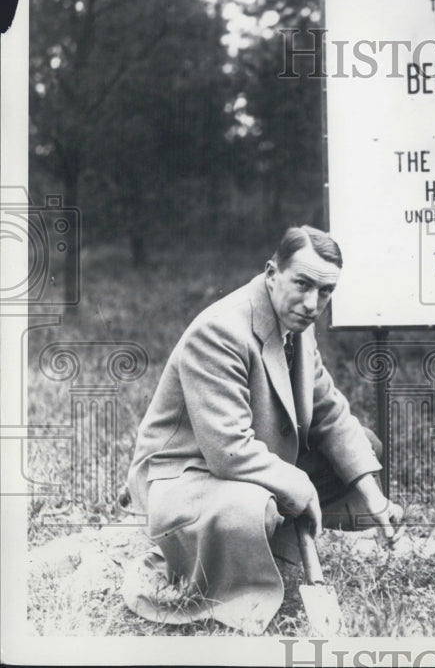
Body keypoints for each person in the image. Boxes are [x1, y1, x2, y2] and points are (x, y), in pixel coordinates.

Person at [122, 225, 402, 633]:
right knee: (256, 506)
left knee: (364, 449)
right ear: (271, 273)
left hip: (248, 461)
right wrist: (299, 485)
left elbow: (330, 413)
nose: (312, 304)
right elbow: (227, 449)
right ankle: (228, 547)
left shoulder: (296, 324)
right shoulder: (219, 330)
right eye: (302, 284)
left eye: (325, 292)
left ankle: (268, 533)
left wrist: (373, 497)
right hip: (188, 473)